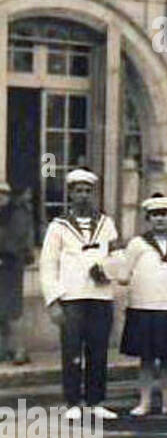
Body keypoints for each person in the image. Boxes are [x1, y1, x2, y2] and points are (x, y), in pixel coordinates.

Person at [40, 169, 120, 421]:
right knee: (72, 349)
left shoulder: (106, 223)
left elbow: (118, 255)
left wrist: (108, 270)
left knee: (98, 349)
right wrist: (53, 300)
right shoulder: (58, 226)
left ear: (93, 194)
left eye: (87, 191)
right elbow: (48, 264)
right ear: (70, 194)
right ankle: (73, 401)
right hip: (72, 296)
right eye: (78, 191)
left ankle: (96, 400)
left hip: (100, 296)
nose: (83, 196)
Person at [117, 194, 167, 417]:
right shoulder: (137, 244)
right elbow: (124, 275)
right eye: (155, 215)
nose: (159, 219)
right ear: (148, 219)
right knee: (146, 358)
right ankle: (144, 401)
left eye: (164, 215)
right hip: (144, 306)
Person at [0, 182, 34, 365]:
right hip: (4, 268)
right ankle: (5, 349)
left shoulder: (17, 214)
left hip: (11, 269)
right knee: (3, 314)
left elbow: (14, 241)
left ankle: (19, 349)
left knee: (13, 313)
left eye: (2, 194)